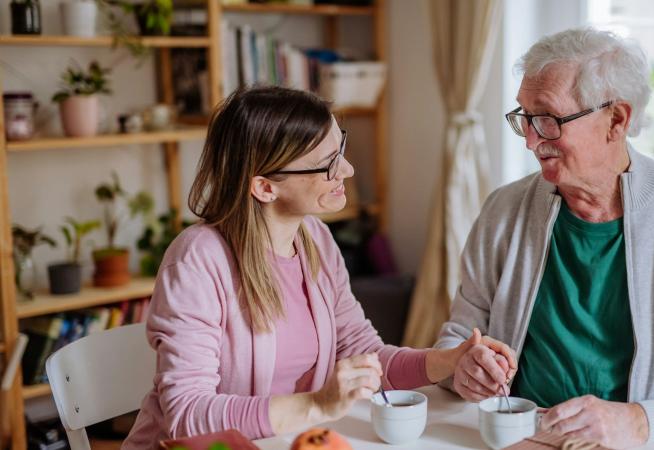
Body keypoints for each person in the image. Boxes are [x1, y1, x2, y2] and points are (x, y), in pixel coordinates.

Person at [122, 86, 514, 448]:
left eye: (339, 150)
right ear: (264, 187)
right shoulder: (198, 260)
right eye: (327, 164)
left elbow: (363, 354)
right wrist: (317, 405)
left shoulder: (315, 240)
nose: (347, 171)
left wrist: (447, 360)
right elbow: (188, 418)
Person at [435, 27, 654, 450]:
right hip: (523, 439)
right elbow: (458, 340)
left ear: (617, 120)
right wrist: (461, 367)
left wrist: (637, 422)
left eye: (550, 119)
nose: (533, 140)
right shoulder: (504, 211)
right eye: (525, 117)